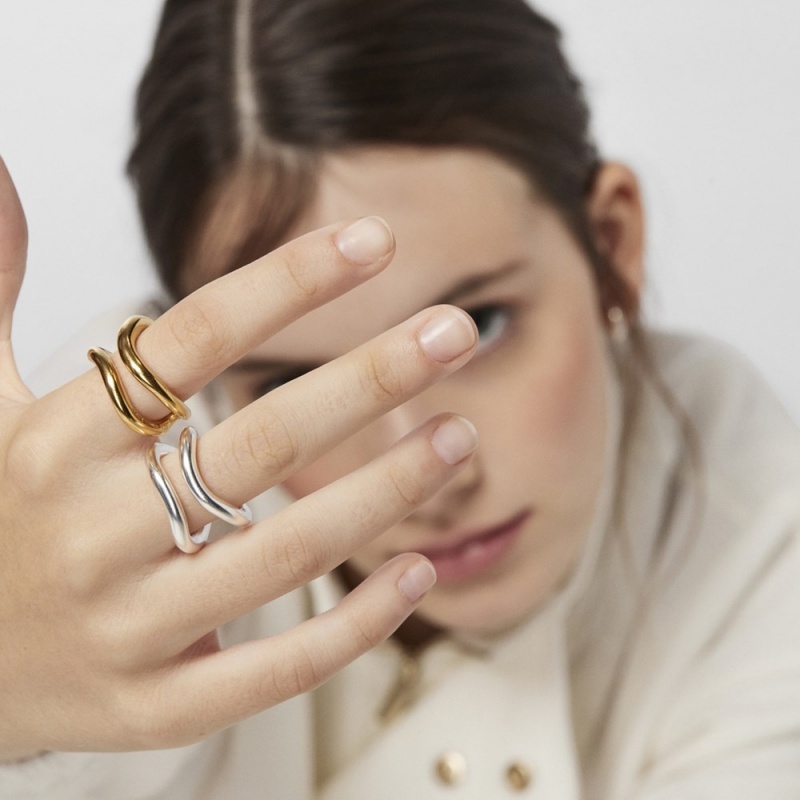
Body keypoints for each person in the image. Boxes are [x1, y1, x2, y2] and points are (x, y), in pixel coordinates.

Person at [2, 0, 800, 797]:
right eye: (292, 385)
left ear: (612, 245)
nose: (429, 470)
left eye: (478, 326)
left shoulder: (745, 500)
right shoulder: (98, 490)